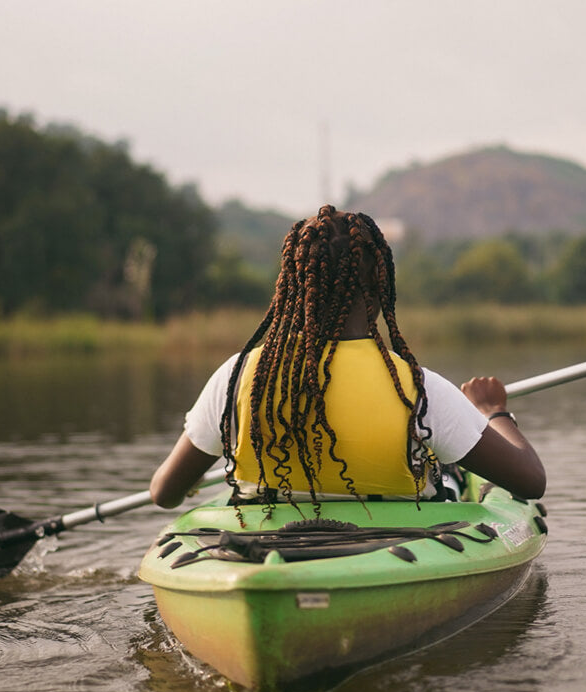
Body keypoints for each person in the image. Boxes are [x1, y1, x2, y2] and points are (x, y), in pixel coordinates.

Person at [150, 205, 545, 511]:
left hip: (261, 542)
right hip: (397, 548)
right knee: (449, 472)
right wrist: (493, 411)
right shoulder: (418, 390)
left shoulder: (237, 377)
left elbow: (164, 493)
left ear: (292, 288)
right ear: (379, 288)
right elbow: (530, 482)